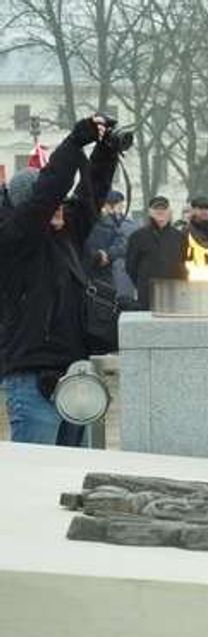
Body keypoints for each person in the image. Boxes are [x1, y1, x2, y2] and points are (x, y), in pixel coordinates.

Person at [0, 115, 119, 445]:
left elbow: (89, 197)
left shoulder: (65, 235)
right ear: (28, 207)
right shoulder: (13, 237)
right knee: (36, 481)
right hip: (32, 379)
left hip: (74, 376)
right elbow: (48, 192)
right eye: (52, 204)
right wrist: (73, 143)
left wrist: (105, 153)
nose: (61, 209)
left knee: (71, 477)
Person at [126, 196, 186, 310]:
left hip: (173, 292)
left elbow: (184, 263)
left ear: (169, 212)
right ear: (150, 212)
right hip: (147, 293)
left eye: (163, 209)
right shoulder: (138, 236)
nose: (160, 212)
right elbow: (130, 266)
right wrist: (142, 283)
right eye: (156, 209)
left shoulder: (179, 237)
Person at [85, 188, 139, 305]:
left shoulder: (117, 224)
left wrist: (107, 255)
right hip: (89, 273)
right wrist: (98, 255)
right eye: (119, 207)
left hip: (106, 275)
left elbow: (122, 244)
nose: (120, 211)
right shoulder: (86, 222)